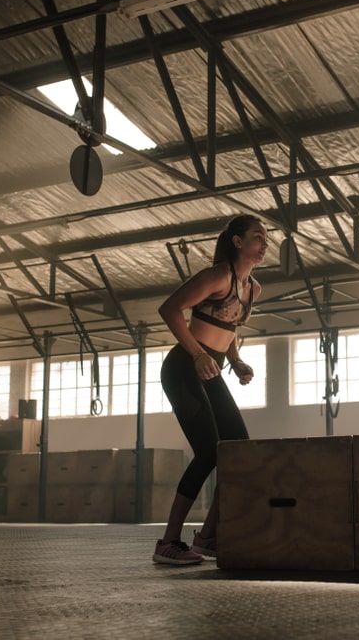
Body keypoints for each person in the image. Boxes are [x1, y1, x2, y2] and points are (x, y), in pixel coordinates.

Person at [153, 214, 267, 565]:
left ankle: (208, 537)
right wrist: (199, 354)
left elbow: (228, 328)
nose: (264, 244)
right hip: (184, 367)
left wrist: (236, 361)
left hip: (212, 368)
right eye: (257, 237)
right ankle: (168, 542)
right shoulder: (218, 275)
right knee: (207, 451)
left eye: (266, 239)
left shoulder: (253, 288)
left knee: (238, 451)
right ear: (237, 241)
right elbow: (170, 309)